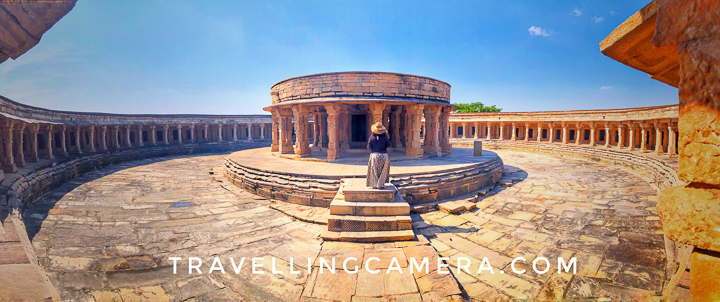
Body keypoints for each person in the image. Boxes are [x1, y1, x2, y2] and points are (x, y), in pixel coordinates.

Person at [366, 122, 391, 189]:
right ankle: (380, 184)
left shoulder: (371, 137)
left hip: (374, 155)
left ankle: (375, 184)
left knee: (374, 171)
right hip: (384, 155)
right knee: (383, 170)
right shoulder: (385, 137)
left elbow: (369, 147)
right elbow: (388, 146)